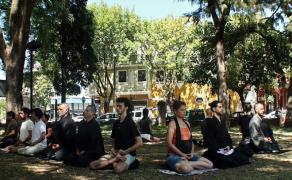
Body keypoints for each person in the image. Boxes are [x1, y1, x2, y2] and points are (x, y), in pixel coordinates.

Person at [90, 97, 143, 173]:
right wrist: (113, 150)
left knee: (118, 169)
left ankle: (131, 162)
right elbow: (114, 140)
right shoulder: (116, 123)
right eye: (116, 106)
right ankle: (115, 162)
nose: (117, 108)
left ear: (126, 108)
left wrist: (125, 152)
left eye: (120, 106)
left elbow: (140, 143)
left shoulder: (130, 123)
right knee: (92, 165)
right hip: (116, 155)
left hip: (128, 154)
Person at [166, 100, 213, 173]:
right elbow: (169, 143)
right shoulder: (172, 124)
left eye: (185, 109)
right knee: (186, 169)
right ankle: (185, 165)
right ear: (175, 111)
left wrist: (191, 153)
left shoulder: (187, 123)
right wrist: (182, 154)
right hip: (175, 156)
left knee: (210, 164)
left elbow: (191, 140)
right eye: (182, 110)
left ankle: (188, 164)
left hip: (188, 155)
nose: (184, 112)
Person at [202, 101, 250, 169]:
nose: (222, 109)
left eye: (222, 107)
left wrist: (229, 146)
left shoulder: (222, 122)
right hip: (218, 151)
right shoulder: (210, 123)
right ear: (214, 109)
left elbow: (227, 137)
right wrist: (219, 150)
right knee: (230, 163)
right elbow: (210, 140)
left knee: (245, 158)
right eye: (219, 107)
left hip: (227, 150)